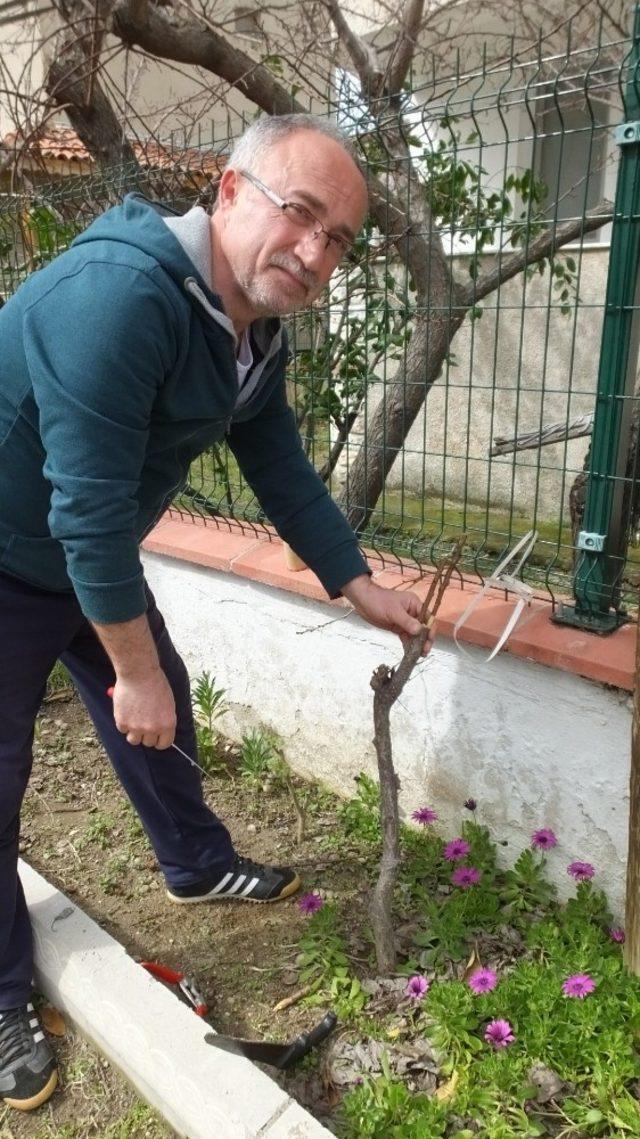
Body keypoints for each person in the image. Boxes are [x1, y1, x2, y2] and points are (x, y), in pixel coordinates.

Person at [0, 112, 428, 1111]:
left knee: (164, 707)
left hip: (71, 552)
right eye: (302, 214)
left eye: (339, 239)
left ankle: (194, 864)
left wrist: (354, 580)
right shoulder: (119, 298)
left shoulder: (251, 323)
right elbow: (91, 507)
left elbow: (275, 459)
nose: (317, 252)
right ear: (228, 192)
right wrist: (130, 667)